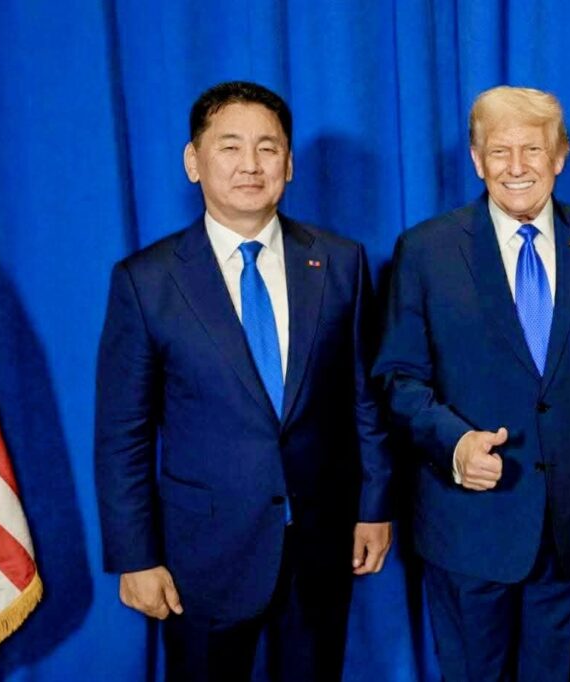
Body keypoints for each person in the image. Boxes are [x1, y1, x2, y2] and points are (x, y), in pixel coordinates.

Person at [94, 81, 392, 681]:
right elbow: (123, 434)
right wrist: (135, 556)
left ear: (289, 163)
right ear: (193, 161)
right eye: (230, 147)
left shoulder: (341, 262)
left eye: (268, 148)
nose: (251, 165)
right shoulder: (146, 281)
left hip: (320, 544)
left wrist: (374, 508)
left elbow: (365, 399)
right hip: (201, 557)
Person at [373, 85, 570, 681]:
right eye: (499, 151)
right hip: (467, 526)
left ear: (560, 155)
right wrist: (455, 443)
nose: (516, 167)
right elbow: (398, 378)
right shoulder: (425, 251)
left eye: (533, 149)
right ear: (476, 159)